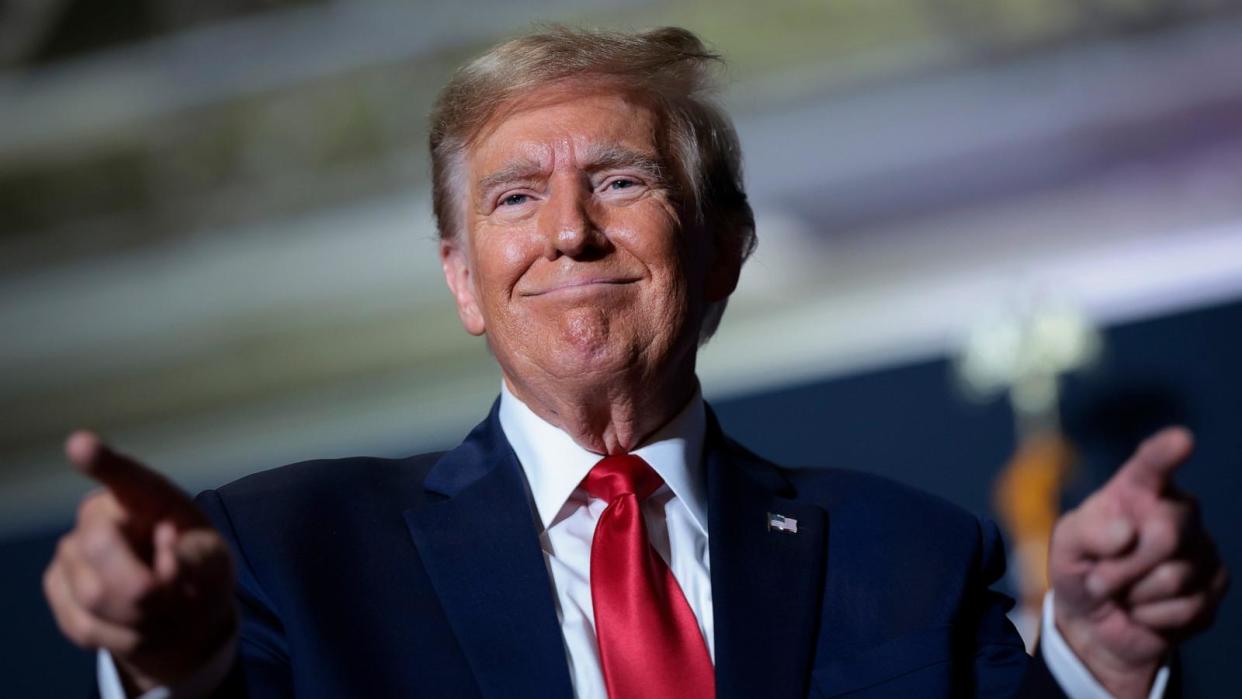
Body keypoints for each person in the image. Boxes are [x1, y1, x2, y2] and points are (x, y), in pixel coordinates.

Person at [44, 26, 1227, 699]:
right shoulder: (291, 550)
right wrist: (169, 666)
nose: (569, 230)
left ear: (722, 251)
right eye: (516, 196)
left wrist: (1103, 662)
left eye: (619, 180)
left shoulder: (908, 556)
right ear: (463, 278)